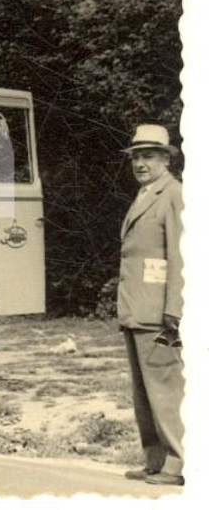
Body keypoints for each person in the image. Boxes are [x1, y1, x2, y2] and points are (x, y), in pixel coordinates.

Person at [118, 124, 185, 486]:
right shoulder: (145, 195)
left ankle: (179, 463)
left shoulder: (173, 194)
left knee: (166, 388)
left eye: (148, 156)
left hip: (159, 311)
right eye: (136, 157)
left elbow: (181, 255)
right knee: (144, 393)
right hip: (135, 308)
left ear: (165, 159)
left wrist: (174, 308)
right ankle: (154, 459)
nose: (140, 163)